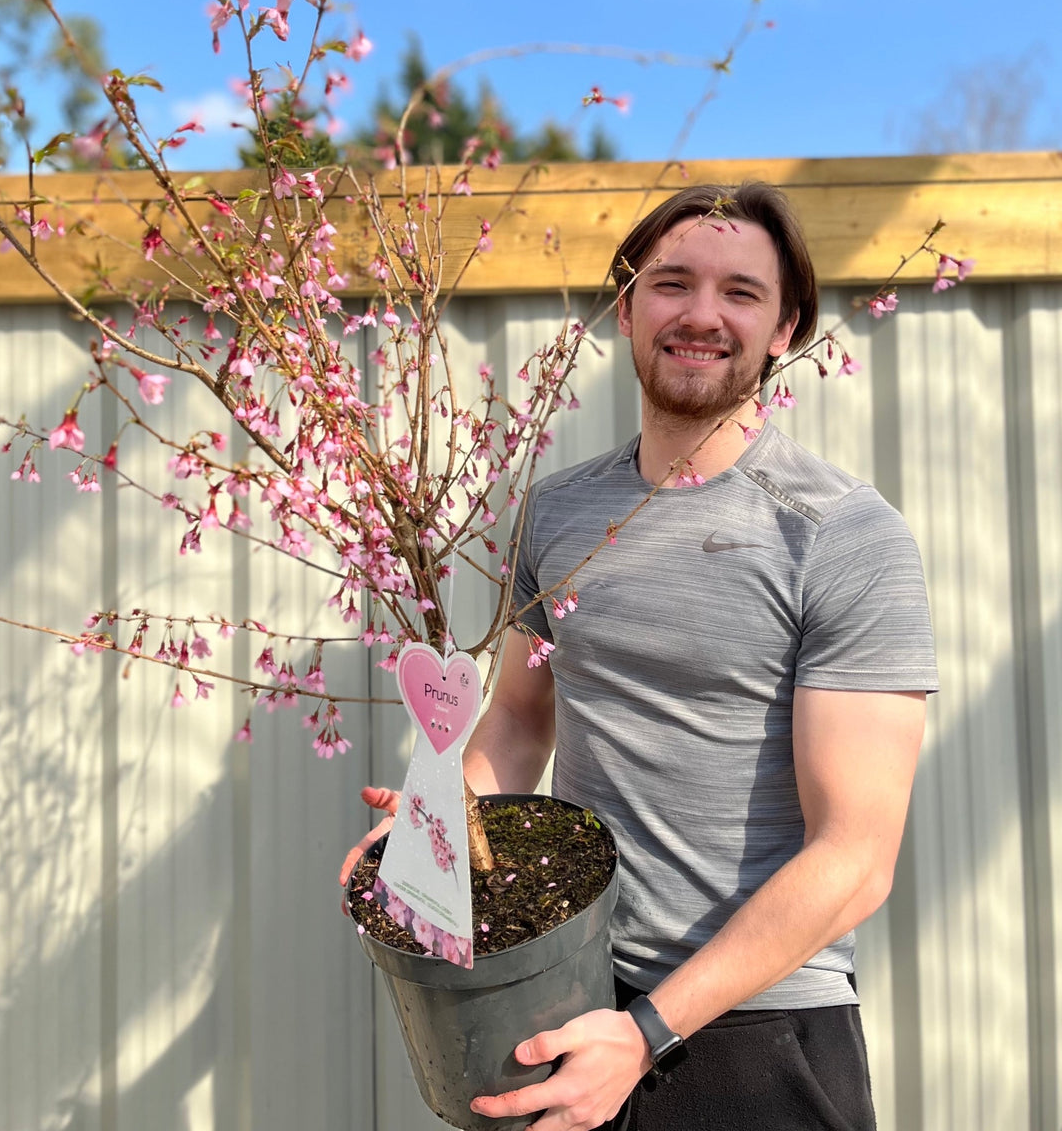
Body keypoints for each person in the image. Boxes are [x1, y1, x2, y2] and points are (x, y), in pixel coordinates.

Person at [341, 181, 937, 1130]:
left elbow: (856, 855)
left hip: (757, 1034)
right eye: (672, 283)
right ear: (626, 308)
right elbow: (517, 719)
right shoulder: (557, 511)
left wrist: (648, 1030)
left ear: (785, 328)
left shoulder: (842, 536)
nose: (702, 314)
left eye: (741, 292)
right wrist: (428, 827)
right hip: (568, 1005)